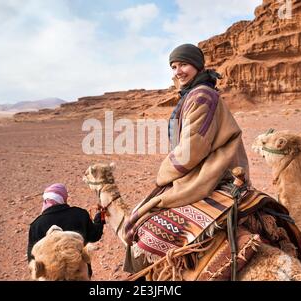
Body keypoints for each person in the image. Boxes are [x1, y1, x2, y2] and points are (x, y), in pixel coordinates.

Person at [123, 43, 251, 272]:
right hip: (202, 168)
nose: (177, 71)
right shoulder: (196, 93)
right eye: (173, 66)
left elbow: (193, 148)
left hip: (212, 172)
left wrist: (163, 175)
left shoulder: (201, 95)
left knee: (141, 223)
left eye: (183, 64)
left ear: (197, 66)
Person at [27, 183, 104, 277]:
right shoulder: (79, 214)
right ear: (64, 198)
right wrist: (99, 219)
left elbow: (32, 260)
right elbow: (94, 236)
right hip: (80, 273)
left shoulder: (37, 225)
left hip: (52, 277)